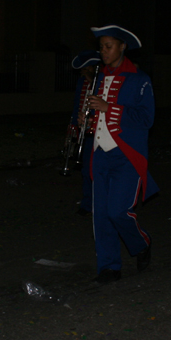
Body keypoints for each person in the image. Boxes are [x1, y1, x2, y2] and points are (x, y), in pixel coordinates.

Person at [83, 25, 158, 283]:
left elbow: (146, 118)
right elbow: (97, 114)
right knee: (101, 215)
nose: (103, 52)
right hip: (100, 153)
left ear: (122, 46)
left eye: (108, 46)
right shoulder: (97, 77)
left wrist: (108, 108)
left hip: (126, 154)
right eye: (101, 47)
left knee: (118, 211)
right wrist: (88, 118)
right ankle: (109, 266)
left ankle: (141, 243)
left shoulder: (140, 79)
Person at [70, 50, 101, 216]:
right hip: (85, 130)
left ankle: (98, 203)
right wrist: (74, 125)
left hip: (100, 131)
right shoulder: (82, 82)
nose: (82, 71)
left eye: (85, 67)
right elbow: (77, 104)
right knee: (86, 169)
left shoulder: (101, 81)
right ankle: (88, 203)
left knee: (96, 169)